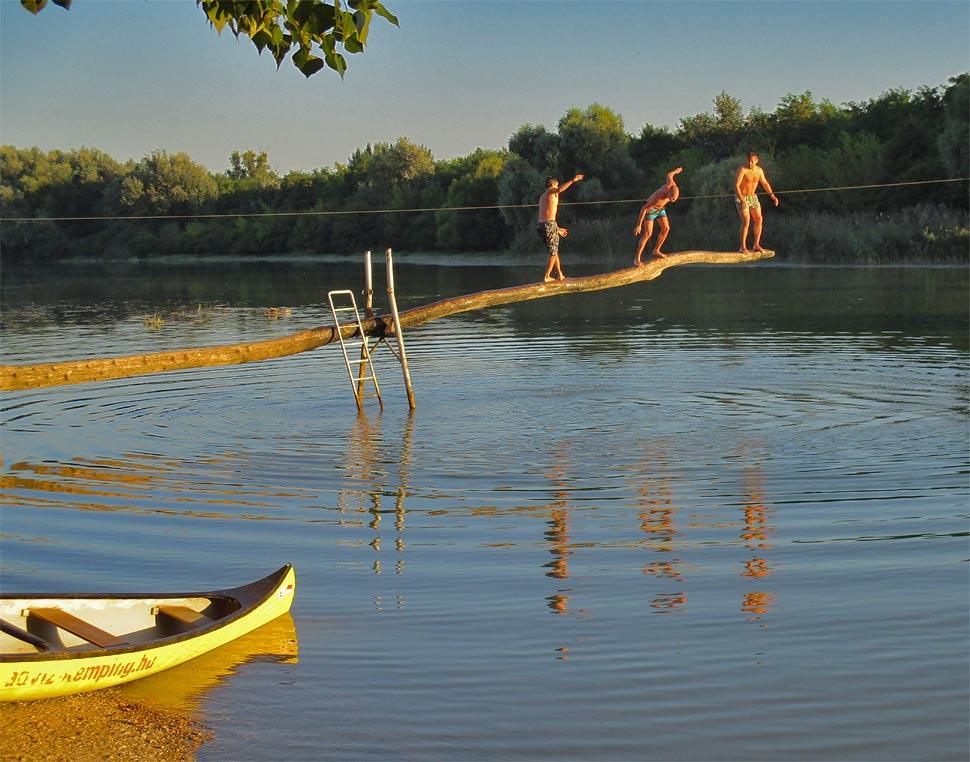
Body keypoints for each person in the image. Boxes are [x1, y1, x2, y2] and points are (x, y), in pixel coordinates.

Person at [537, 174, 584, 282]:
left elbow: (547, 214)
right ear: (553, 184)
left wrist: (557, 229)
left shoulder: (542, 197)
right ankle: (547, 276)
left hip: (541, 226)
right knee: (553, 252)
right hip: (549, 225)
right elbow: (559, 190)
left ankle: (560, 274)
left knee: (554, 251)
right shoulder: (551, 191)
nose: (557, 187)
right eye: (556, 184)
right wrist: (572, 180)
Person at [634, 167, 683, 265]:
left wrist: (676, 171)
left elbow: (669, 175)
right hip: (651, 209)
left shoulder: (672, 185)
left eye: (675, 199)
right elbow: (644, 208)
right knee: (648, 234)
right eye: (671, 198)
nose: (672, 200)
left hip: (660, 209)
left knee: (666, 228)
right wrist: (639, 225)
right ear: (668, 192)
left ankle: (656, 250)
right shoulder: (658, 197)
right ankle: (637, 259)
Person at [734, 152, 778, 253]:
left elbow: (765, 183)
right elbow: (736, 185)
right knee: (746, 221)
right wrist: (741, 199)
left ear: (757, 161)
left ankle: (756, 244)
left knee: (759, 219)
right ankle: (743, 247)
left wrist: (772, 196)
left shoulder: (759, 171)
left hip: (752, 197)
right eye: (749, 161)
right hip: (742, 196)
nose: (750, 163)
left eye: (752, 161)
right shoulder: (743, 170)